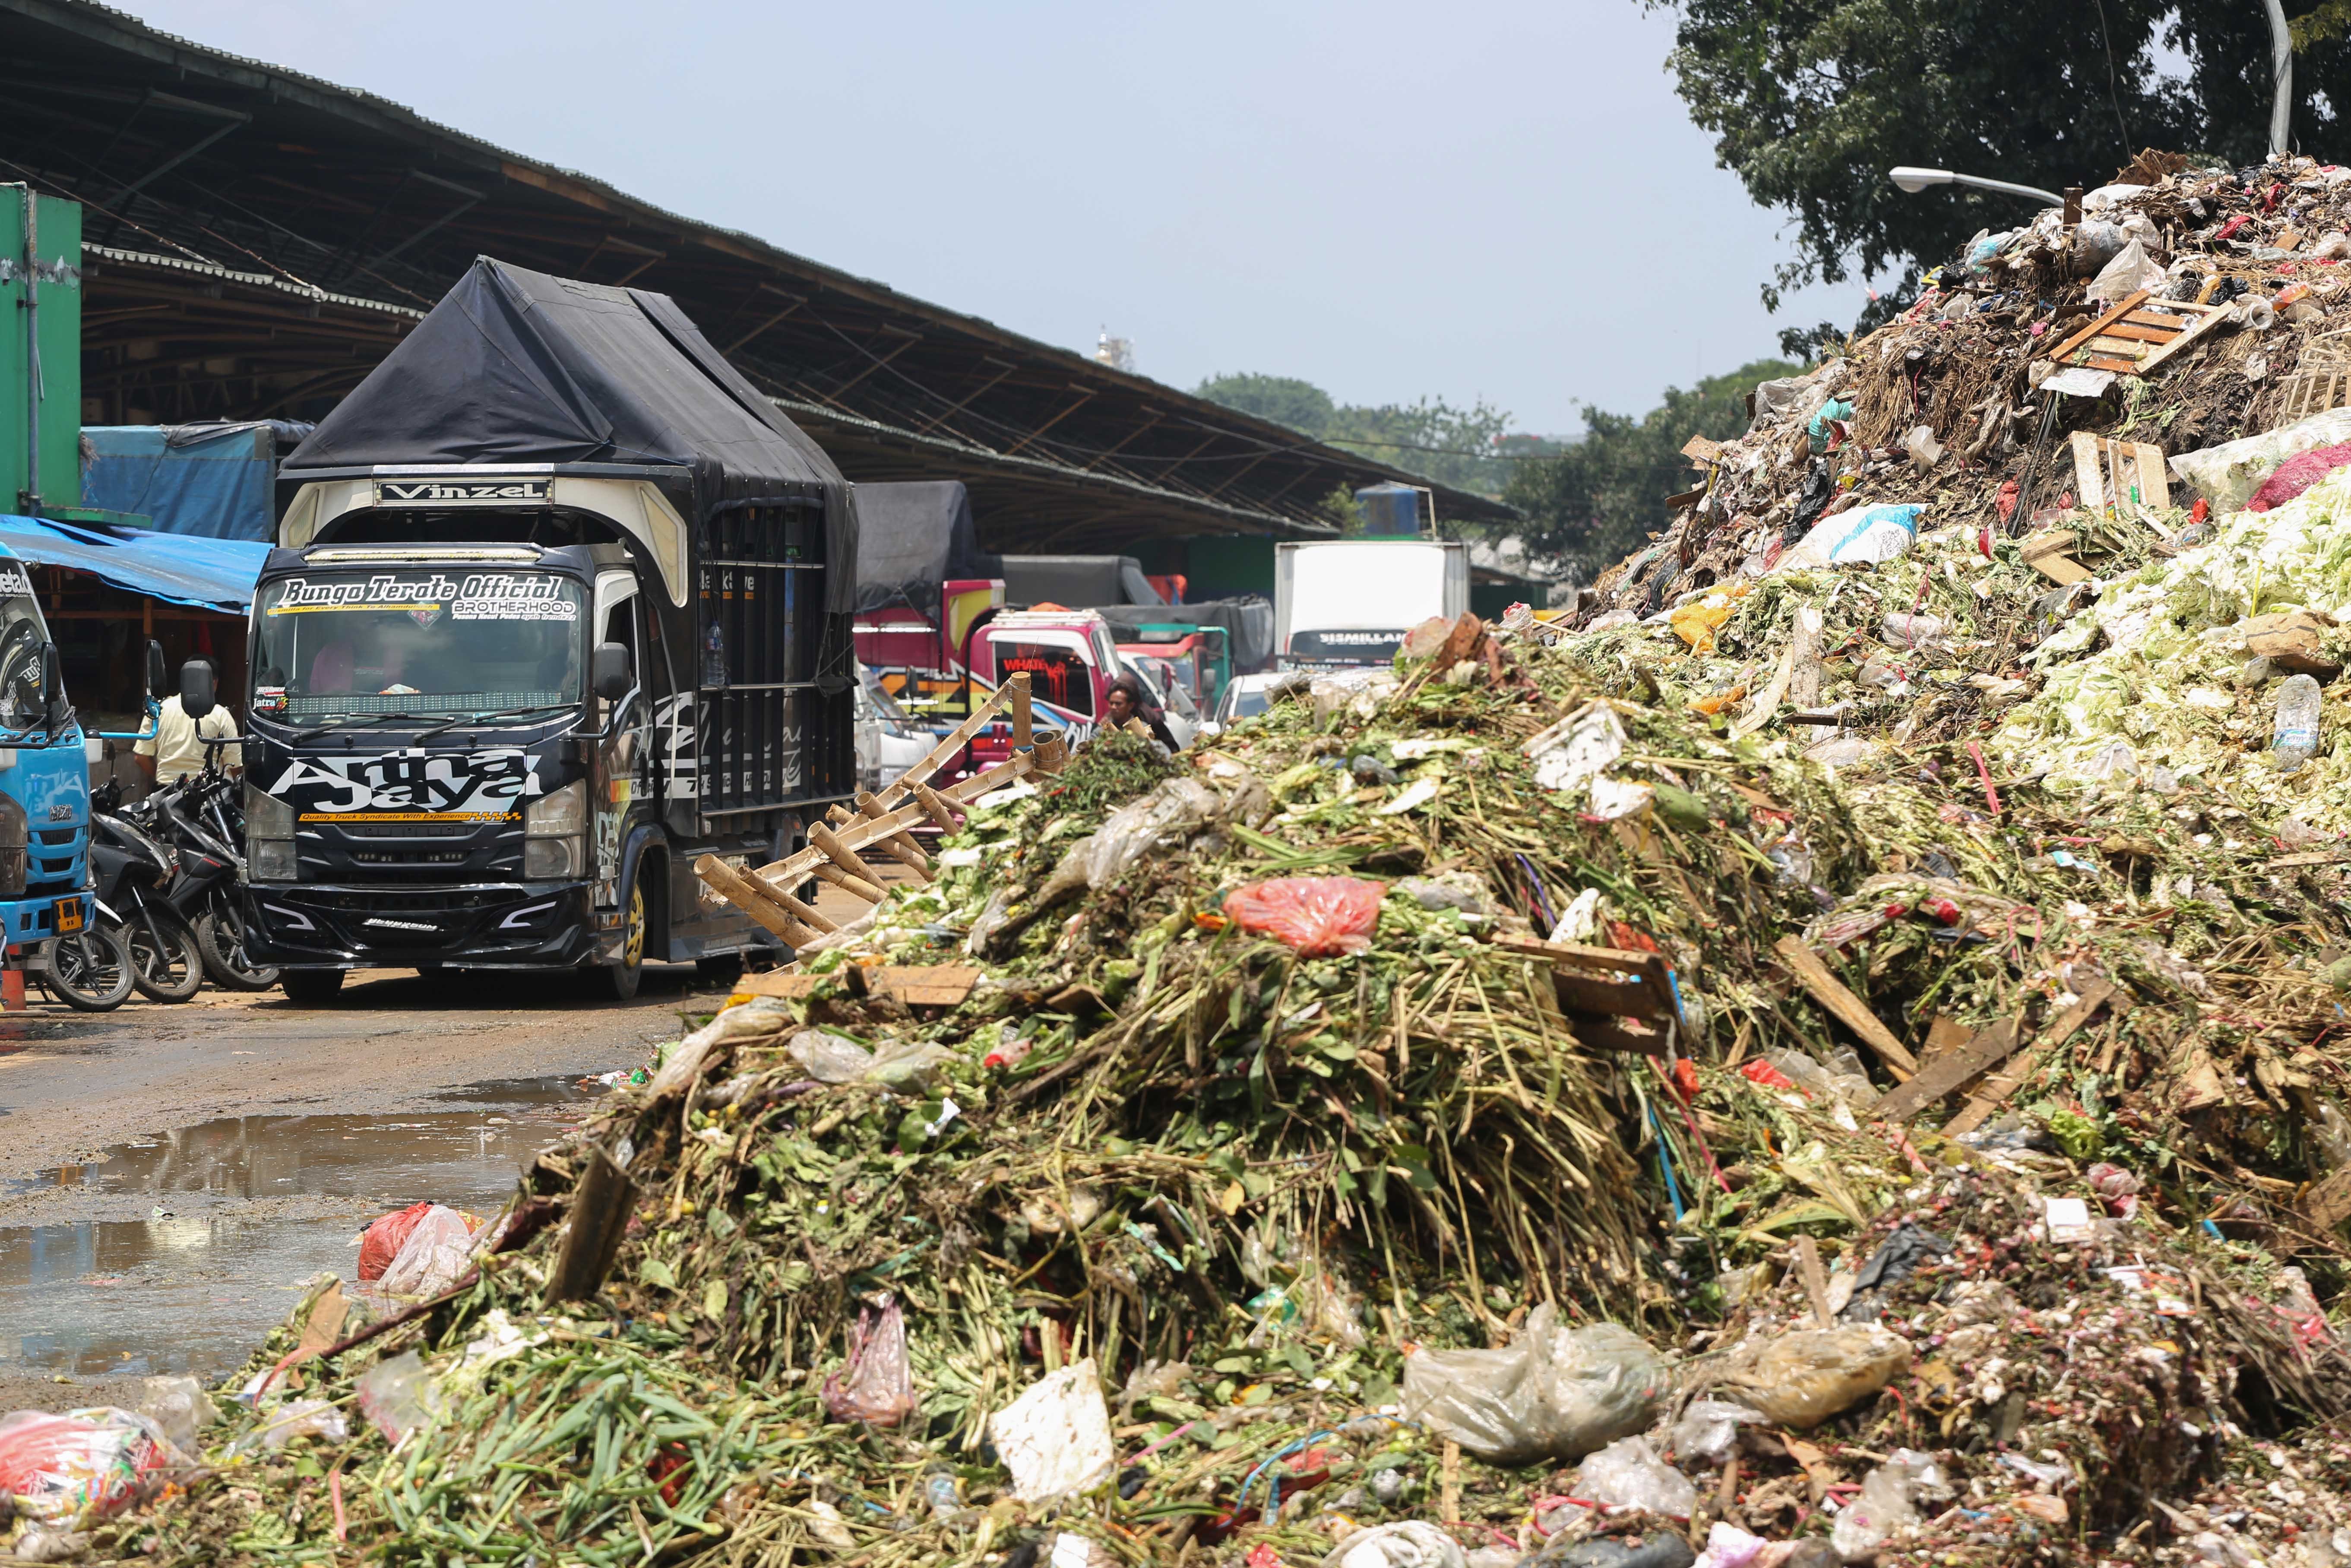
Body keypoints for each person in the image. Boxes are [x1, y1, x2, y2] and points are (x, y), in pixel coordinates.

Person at [135, 660, 241, 782]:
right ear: (214, 683)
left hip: (164, 795)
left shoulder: (158, 710)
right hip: (206, 794)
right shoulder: (221, 715)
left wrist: (162, 781)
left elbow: (141, 757)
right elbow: (235, 766)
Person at [1104, 673, 1179, 751]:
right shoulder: (1109, 720)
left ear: (1131, 705)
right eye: (1112, 703)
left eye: (1119, 704)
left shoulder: (1149, 718)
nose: (1114, 707)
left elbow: (1168, 747)